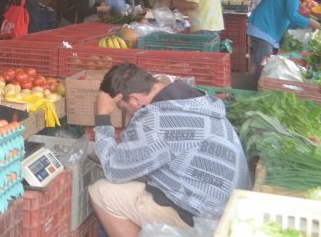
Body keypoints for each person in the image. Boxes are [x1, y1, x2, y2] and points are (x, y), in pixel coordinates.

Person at [89, 63, 249, 237]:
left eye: (123, 108)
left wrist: (103, 116)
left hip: (203, 217)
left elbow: (113, 169)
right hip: (233, 206)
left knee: (101, 192)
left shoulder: (155, 121)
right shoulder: (195, 99)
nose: (128, 115)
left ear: (134, 99)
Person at [247, 0, 319, 79]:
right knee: (264, 70)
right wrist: (311, 22)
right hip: (263, 29)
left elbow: (286, 14)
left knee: (265, 68)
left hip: (263, 28)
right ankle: (256, 94)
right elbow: (292, 15)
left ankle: (258, 91)